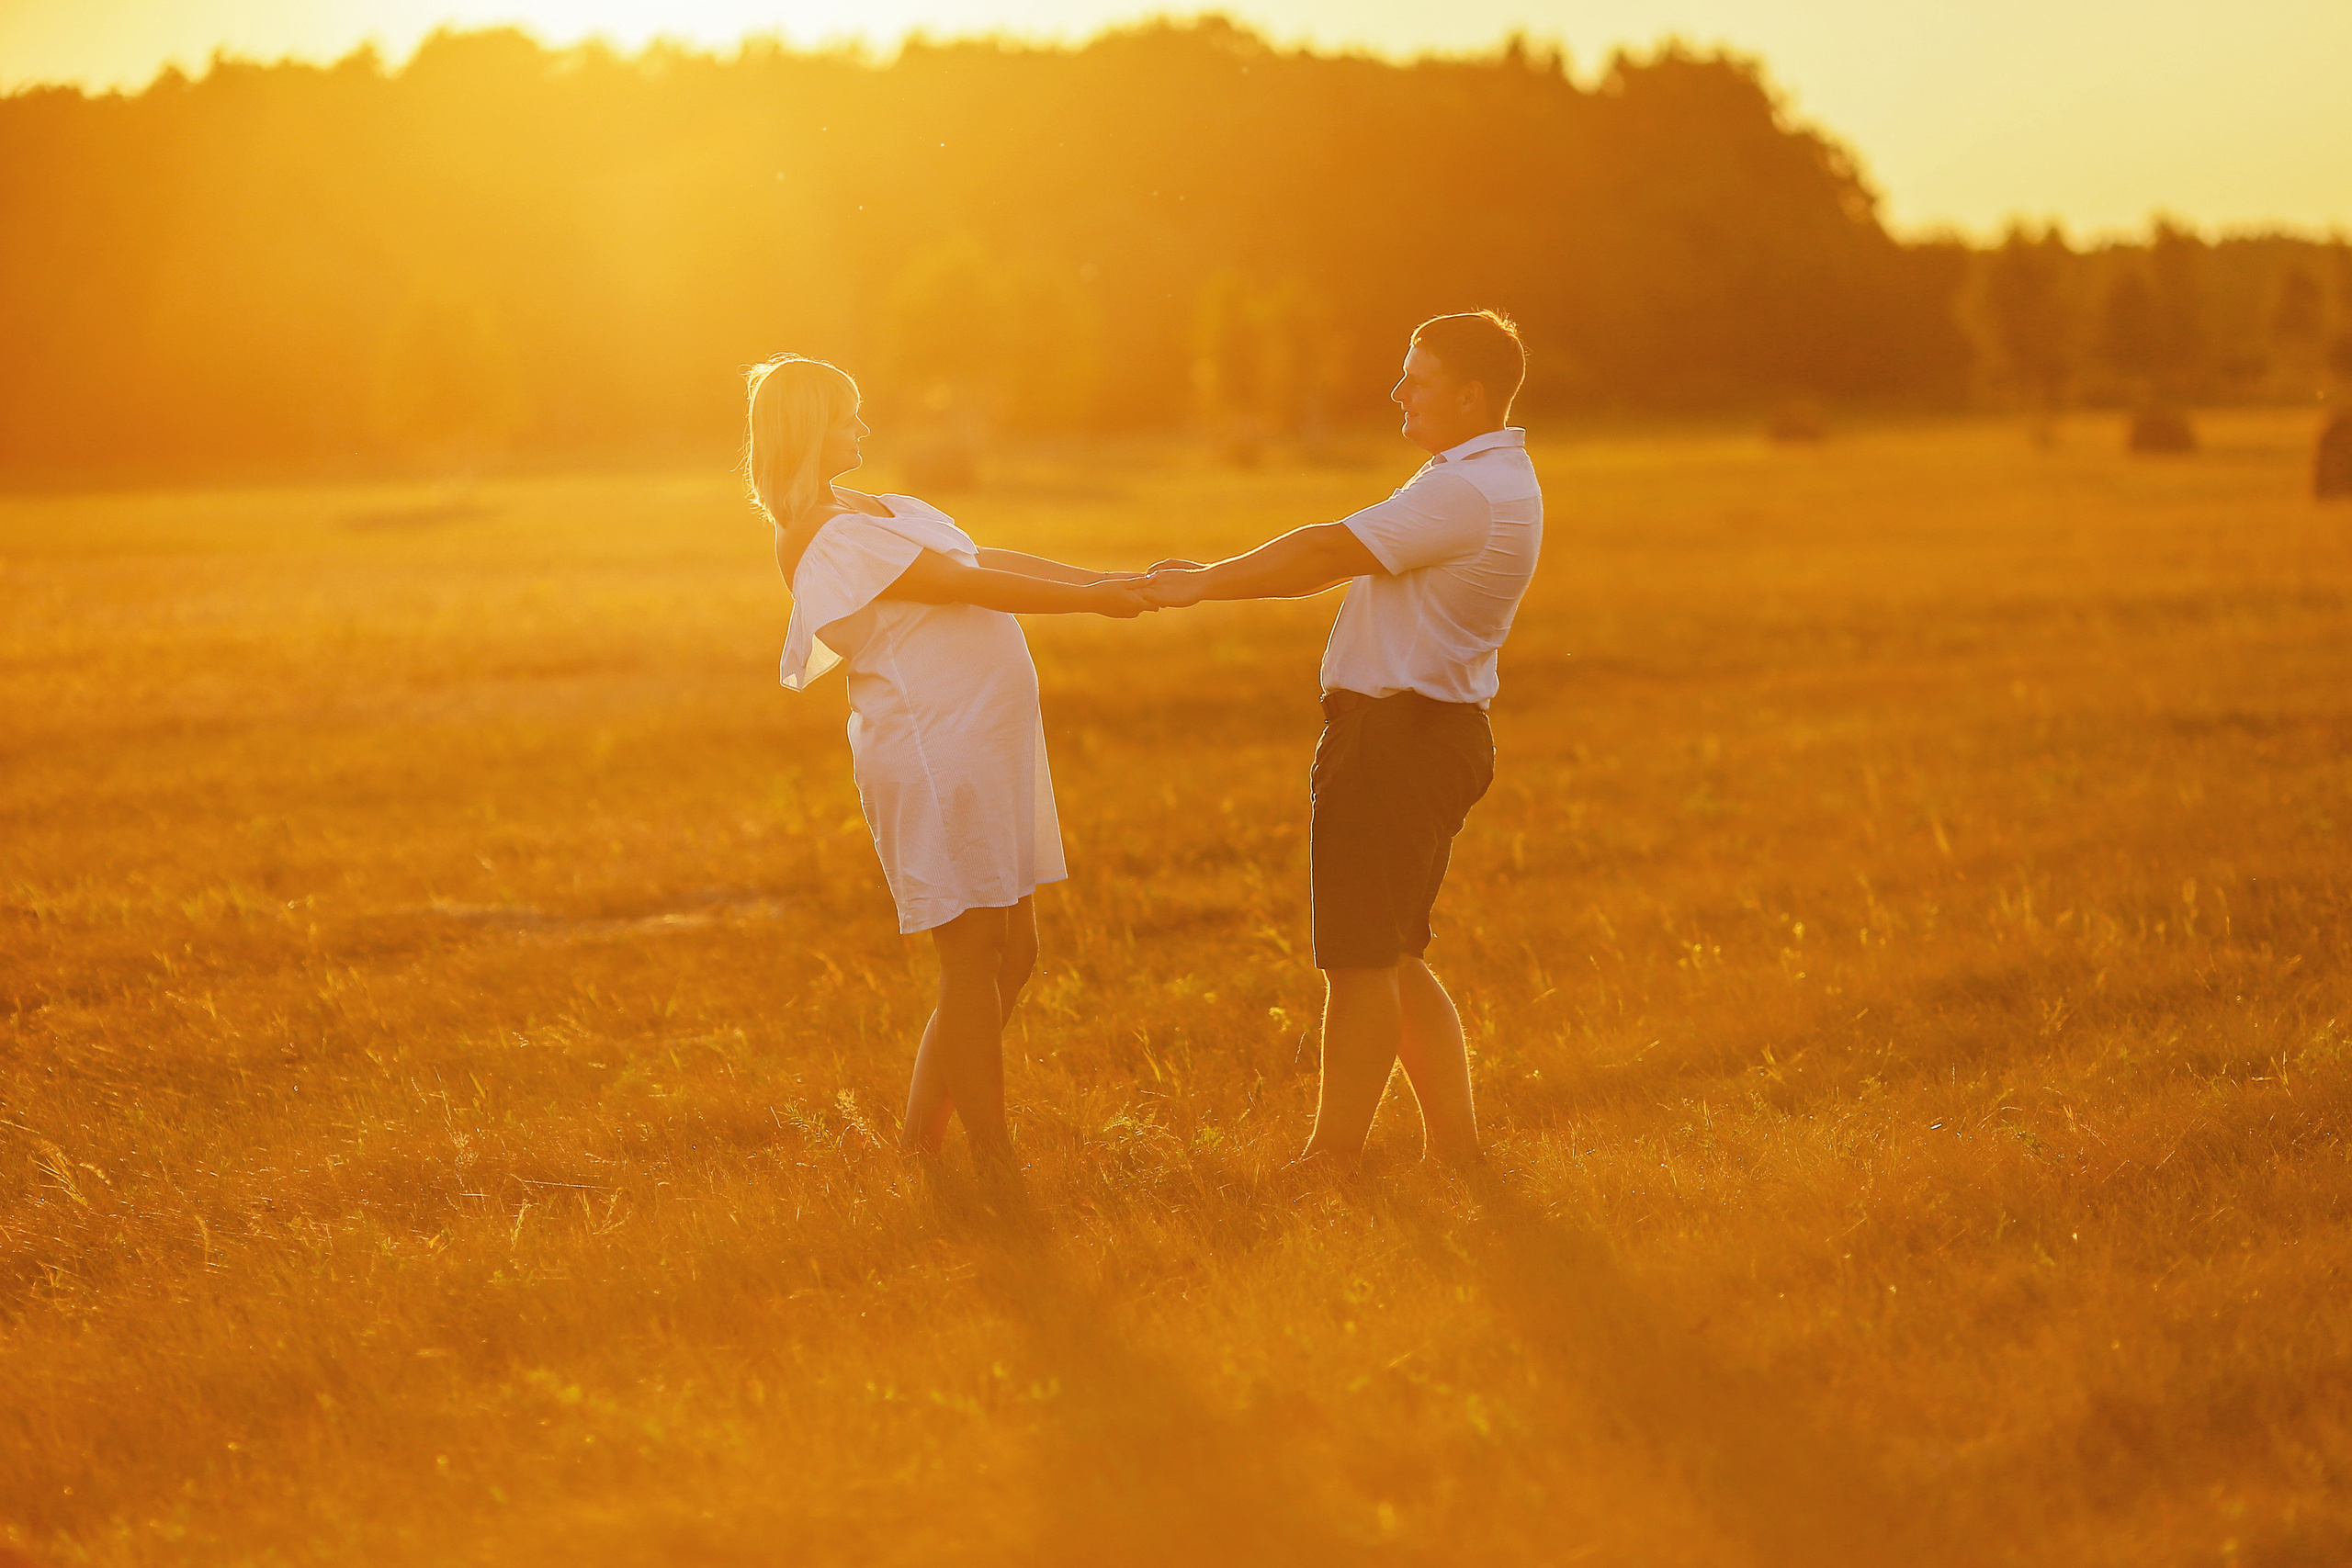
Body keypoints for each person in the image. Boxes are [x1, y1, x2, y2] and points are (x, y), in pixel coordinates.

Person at [1140, 310, 1542, 1168]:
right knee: (1394, 953)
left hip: (1398, 740)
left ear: (1471, 396)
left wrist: (1199, 585)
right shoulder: (1483, 477)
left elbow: (1323, 553)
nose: (1399, 392)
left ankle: (1331, 1164)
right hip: (1431, 735)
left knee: (1361, 963)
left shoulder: (1464, 490)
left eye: (1418, 381)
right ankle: (1457, 1151)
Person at [748, 354, 1151, 1173]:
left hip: (988, 747)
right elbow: (963, 583)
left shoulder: (880, 507)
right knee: (971, 959)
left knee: (1017, 953)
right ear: (806, 427)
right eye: (846, 413)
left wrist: (1112, 579)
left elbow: (988, 556)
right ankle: (990, 1161)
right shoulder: (824, 538)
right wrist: (1091, 601)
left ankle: (918, 1148)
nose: (862, 424)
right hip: (937, 753)